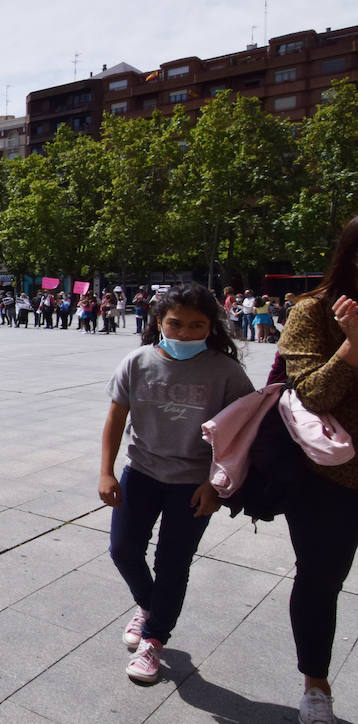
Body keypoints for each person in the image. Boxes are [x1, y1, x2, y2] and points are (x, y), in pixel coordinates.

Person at [98, 282, 253, 684]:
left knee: (173, 563)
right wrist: (106, 471)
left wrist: (215, 485)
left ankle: (154, 639)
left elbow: (241, 434)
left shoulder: (226, 371)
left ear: (211, 327)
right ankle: (150, 606)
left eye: (197, 325)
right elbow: (116, 418)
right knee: (123, 549)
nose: (185, 333)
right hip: (141, 473)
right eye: (176, 323)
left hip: (193, 484)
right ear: (158, 321)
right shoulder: (136, 362)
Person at [277, 216, 358, 724]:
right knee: (320, 580)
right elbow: (313, 394)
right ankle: (316, 685)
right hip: (328, 479)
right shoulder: (312, 311)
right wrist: (353, 344)